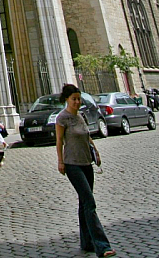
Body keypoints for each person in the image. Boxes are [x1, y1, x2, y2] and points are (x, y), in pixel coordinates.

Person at [55, 84, 115, 258]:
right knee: (90, 203)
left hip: (86, 163)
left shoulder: (81, 116)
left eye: (78, 98)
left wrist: (95, 151)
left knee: (84, 204)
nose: (77, 102)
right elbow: (59, 141)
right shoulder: (62, 118)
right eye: (74, 99)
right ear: (66, 99)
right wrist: (60, 162)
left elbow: (87, 136)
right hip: (72, 165)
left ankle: (86, 242)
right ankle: (102, 246)